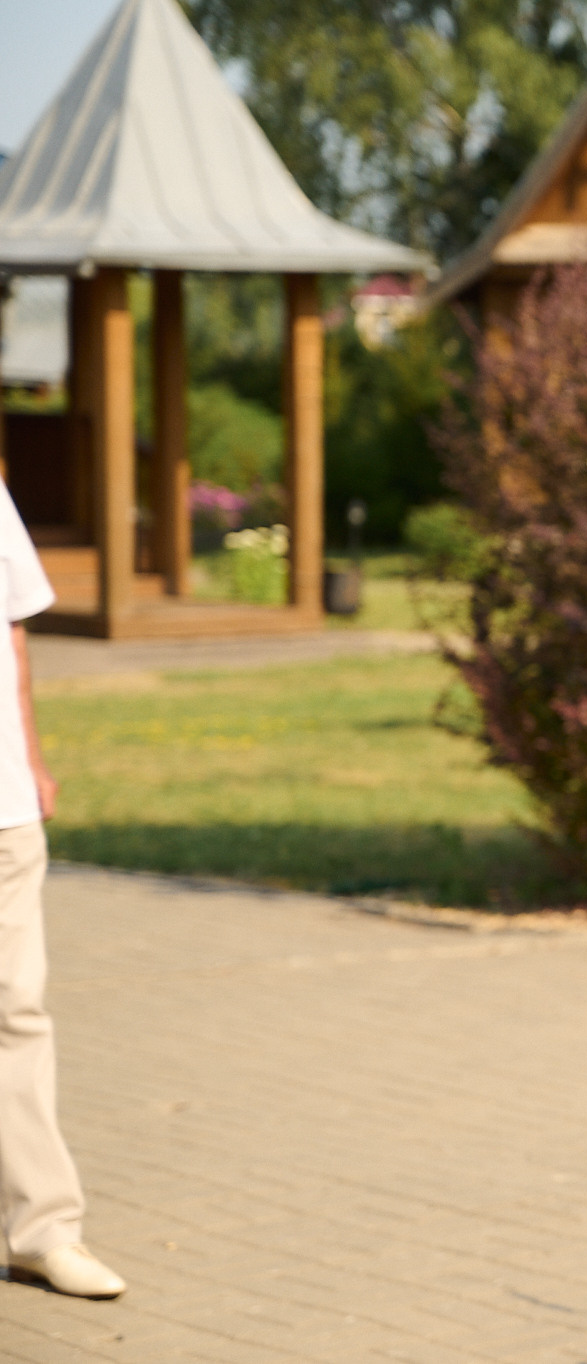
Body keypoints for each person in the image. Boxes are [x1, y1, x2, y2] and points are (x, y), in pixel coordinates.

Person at [0, 484, 124, 1299]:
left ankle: (42, 1229)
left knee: (18, 1008)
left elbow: (13, 635)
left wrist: (32, 762)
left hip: (3, 808)